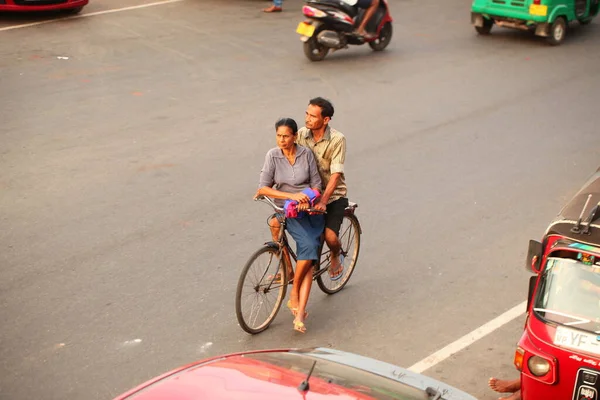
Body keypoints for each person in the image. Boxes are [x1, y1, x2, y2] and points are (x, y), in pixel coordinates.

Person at [256, 118, 324, 333]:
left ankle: (295, 294)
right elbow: (264, 188)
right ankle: (294, 289)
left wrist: (306, 197)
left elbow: (317, 185)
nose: (282, 140)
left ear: (295, 136)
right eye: (278, 135)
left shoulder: (306, 154)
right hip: (287, 210)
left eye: (286, 136)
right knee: (308, 248)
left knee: (309, 251)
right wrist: (291, 196)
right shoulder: (272, 156)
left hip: (309, 210)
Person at [297, 97, 348, 282]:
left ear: (325, 120)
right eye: (307, 114)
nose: (308, 119)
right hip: (309, 193)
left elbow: (335, 175)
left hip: (332, 195)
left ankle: (336, 254)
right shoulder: (302, 134)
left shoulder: (337, 139)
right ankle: (287, 266)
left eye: (313, 116)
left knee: (330, 236)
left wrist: (324, 201)